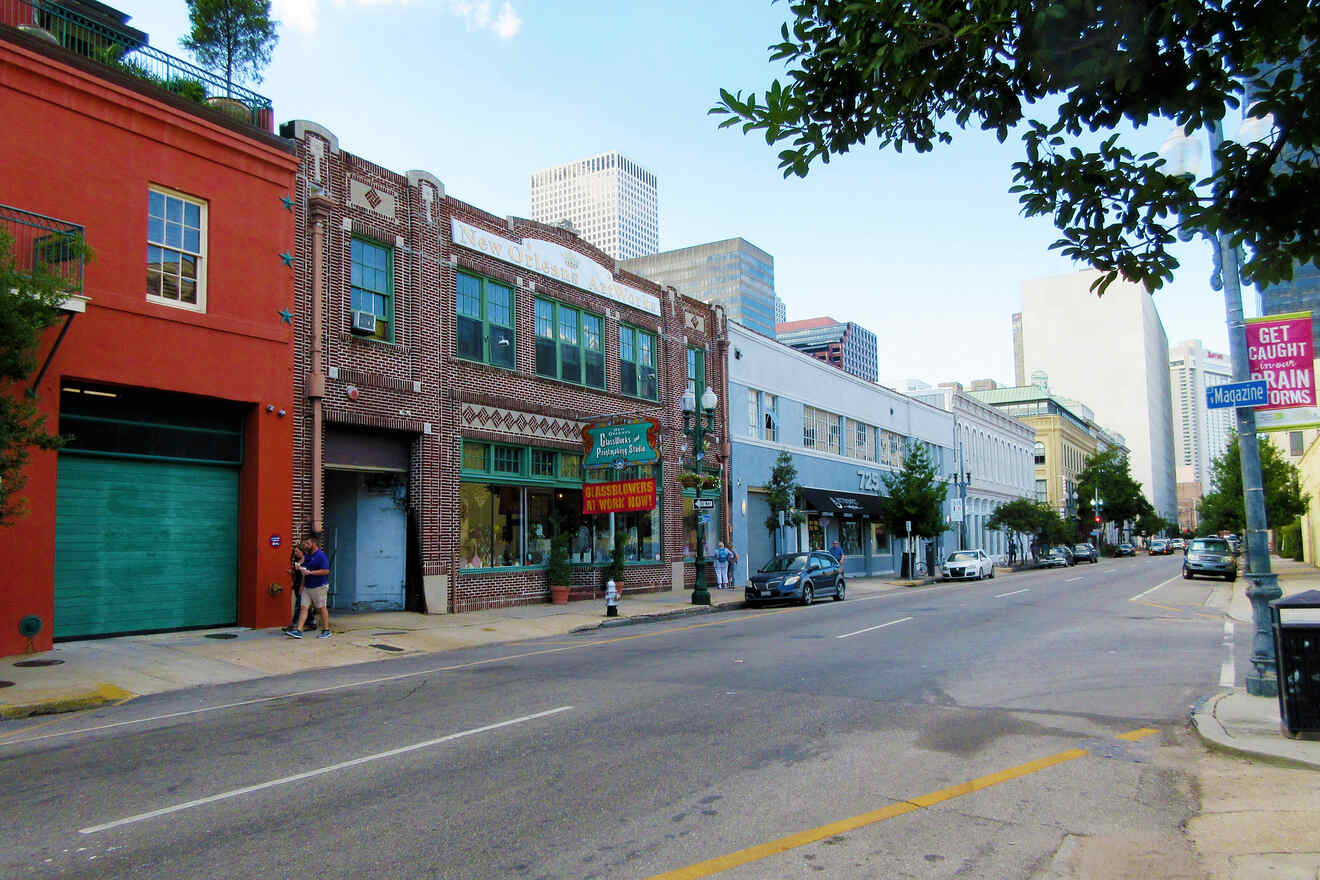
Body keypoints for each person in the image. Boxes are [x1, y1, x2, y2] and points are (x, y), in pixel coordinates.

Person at [285, 535, 331, 639]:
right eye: (305, 543)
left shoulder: (321, 555)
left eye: (307, 544)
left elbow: (326, 570)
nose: (305, 546)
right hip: (307, 586)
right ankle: (299, 630)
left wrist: (311, 572)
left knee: (321, 608)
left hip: (319, 586)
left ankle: (326, 630)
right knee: (303, 608)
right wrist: (302, 584)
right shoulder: (309, 556)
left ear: (314, 544)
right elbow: (305, 572)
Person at [288, 545, 308, 632]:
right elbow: (296, 573)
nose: (295, 553)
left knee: (298, 605)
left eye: (297, 551)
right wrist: (292, 572)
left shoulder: (306, 560)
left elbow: (305, 574)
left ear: (302, 551)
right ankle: (312, 621)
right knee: (304, 605)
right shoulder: (297, 561)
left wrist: (302, 586)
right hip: (297, 584)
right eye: (294, 552)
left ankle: (292, 625)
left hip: (303, 585)